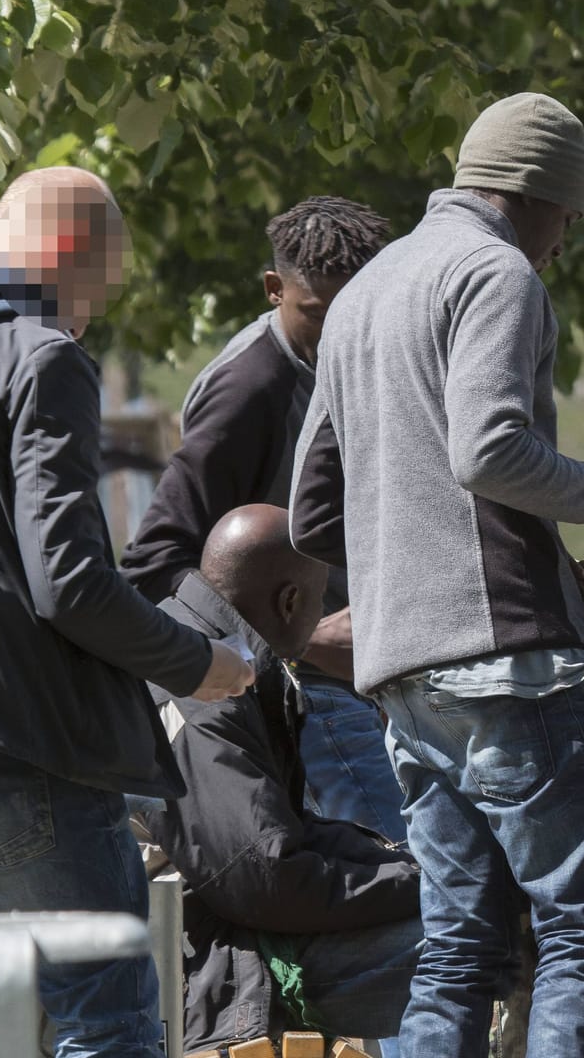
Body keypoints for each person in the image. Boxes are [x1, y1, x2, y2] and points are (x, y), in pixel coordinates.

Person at [291, 92, 584, 1058]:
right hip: (508, 661)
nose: (562, 248)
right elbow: (489, 450)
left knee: (456, 950)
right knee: (582, 934)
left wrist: (403, 558)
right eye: (569, 224)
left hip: (401, 673)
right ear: (545, 197)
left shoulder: (366, 292)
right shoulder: (494, 274)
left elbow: (311, 510)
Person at [0, 166, 253, 1057]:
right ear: (64, 254)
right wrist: (200, 663)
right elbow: (70, 584)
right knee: (105, 1014)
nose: (88, 323)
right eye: (96, 298)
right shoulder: (39, 351)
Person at [120, 196, 404, 840]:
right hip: (307, 692)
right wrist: (293, 643)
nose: (343, 333)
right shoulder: (251, 388)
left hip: (369, 683)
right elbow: (155, 563)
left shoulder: (354, 359)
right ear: (274, 289)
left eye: (360, 311)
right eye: (320, 313)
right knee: (402, 874)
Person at [143, 505, 422, 1052]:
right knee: (464, 944)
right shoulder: (203, 694)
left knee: (471, 921)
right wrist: (423, 888)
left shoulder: (201, 646)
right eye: (322, 600)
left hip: (227, 929)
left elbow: (281, 835)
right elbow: (262, 876)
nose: (324, 615)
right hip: (216, 963)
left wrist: (413, 868)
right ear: (289, 601)